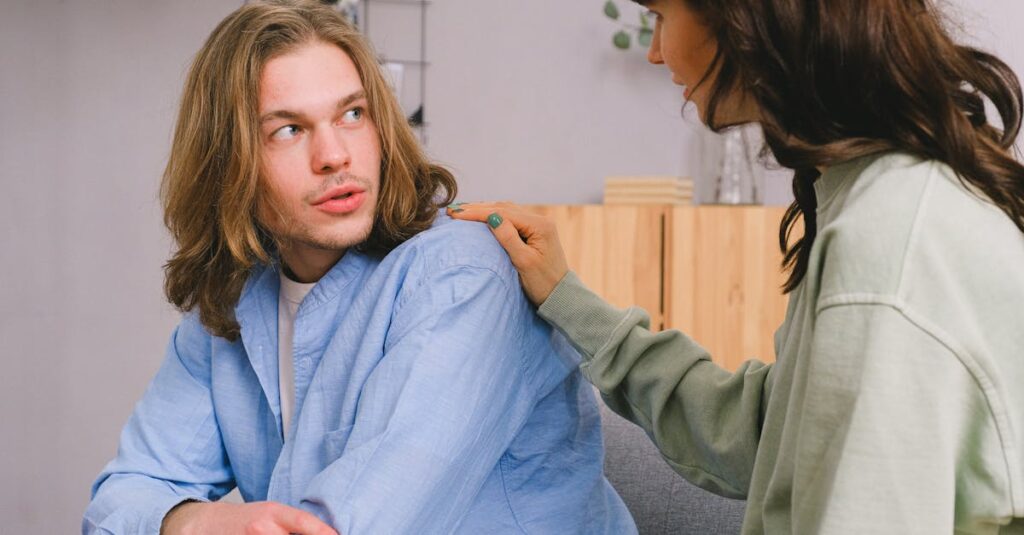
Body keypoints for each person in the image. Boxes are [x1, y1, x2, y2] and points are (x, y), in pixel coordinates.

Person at [450, 0, 1024, 532]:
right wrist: (567, 299)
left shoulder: (888, 246)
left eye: (659, 15)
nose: (655, 52)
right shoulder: (872, 196)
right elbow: (766, 437)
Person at [83, 1, 636, 534]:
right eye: (289, 129)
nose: (334, 155)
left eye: (352, 114)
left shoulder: (464, 274)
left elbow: (355, 526)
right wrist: (192, 520)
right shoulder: (228, 313)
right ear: (229, 163)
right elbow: (121, 498)